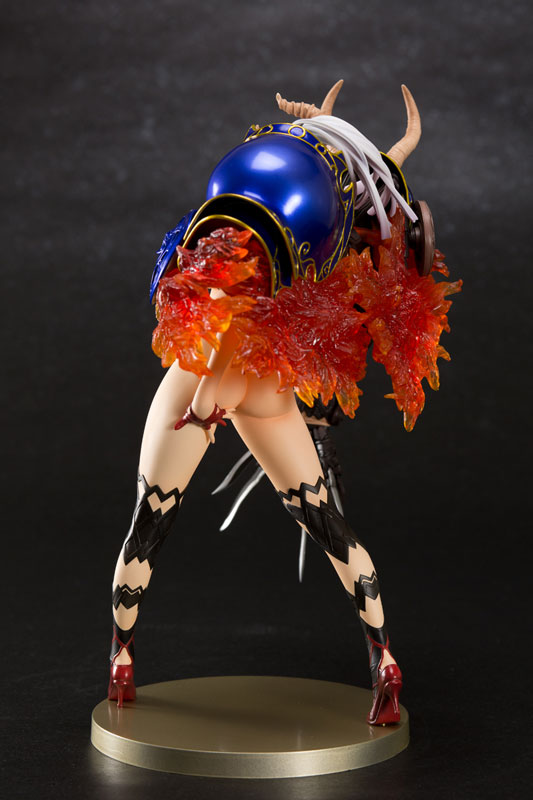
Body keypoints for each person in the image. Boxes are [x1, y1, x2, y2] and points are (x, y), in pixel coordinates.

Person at [107, 81, 460, 725]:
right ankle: (383, 657)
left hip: (217, 373)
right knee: (328, 525)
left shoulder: (280, 200)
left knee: (151, 518)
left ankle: (122, 658)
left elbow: (228, 313)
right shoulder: (327, 227)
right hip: (264, 382)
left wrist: (205, 405)